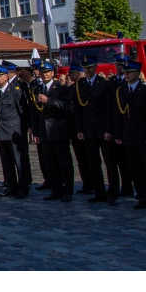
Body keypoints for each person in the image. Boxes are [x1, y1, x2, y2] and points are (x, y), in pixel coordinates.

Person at [112, 60, 146, 210]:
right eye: (125, 72)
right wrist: (118, 133)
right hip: (129, 135)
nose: (126, 74)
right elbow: (118, 115)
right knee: (136, 169)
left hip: (144, 135)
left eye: (130, 72)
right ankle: (143, 196)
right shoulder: (121, 91)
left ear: (138, 73)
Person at [74, 57, 120, 205]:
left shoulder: (104, 84)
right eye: (85, 68)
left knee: (110, 162)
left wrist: (108, 129)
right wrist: (80, 129)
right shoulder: (80, 84)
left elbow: (109, 108)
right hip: (88, 129)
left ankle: (112, 192)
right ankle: (99, 191)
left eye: (90, 67)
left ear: (95, 68)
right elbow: (78, 110)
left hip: (102, 128)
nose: (87, 70)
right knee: (93, 162)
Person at [30, 63, 74, 202]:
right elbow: (35, 112)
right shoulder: (38, 88)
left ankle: (67, 189)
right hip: (44, 132)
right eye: (42, 72)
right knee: (50, 163)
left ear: (53, 73)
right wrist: (36, 132)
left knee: (64, 162)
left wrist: (49, 100)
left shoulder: (61, 88)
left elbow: (67, 106)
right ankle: (56, 189)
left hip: (58, 130)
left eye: (47, 72)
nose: (45, 74)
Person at [0, 66, 31, 198]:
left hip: (15, 130)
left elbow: (23, 111)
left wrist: (25, 129)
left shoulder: (15, 90)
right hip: (2, 131)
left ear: (6, 77)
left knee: (20, 161)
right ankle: (10, 186)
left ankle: (23, 187)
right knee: (6, 161)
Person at [65, 64, 94, 195]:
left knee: (90, 158)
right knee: (81, 159)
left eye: (72, 73)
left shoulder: (83, 87)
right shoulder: (72, 88)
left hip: (86, 127)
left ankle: (92, 184)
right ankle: (87, 183)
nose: (69, 76)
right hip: (75, 128)